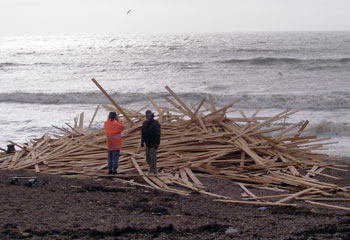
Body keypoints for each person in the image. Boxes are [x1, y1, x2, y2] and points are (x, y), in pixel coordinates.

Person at [141, 110, 161, 174]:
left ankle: (153, 170)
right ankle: (152, 169)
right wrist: (142, 141)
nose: (147, 117)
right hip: (147, 143)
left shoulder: (155, 123)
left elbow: (158, 134)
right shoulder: (145, 123)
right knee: (148, 158)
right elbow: (143, 133)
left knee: (153, 158)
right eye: (146, 116)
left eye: (149, 116)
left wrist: (157, 143)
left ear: (151, 116)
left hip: (153, 144)